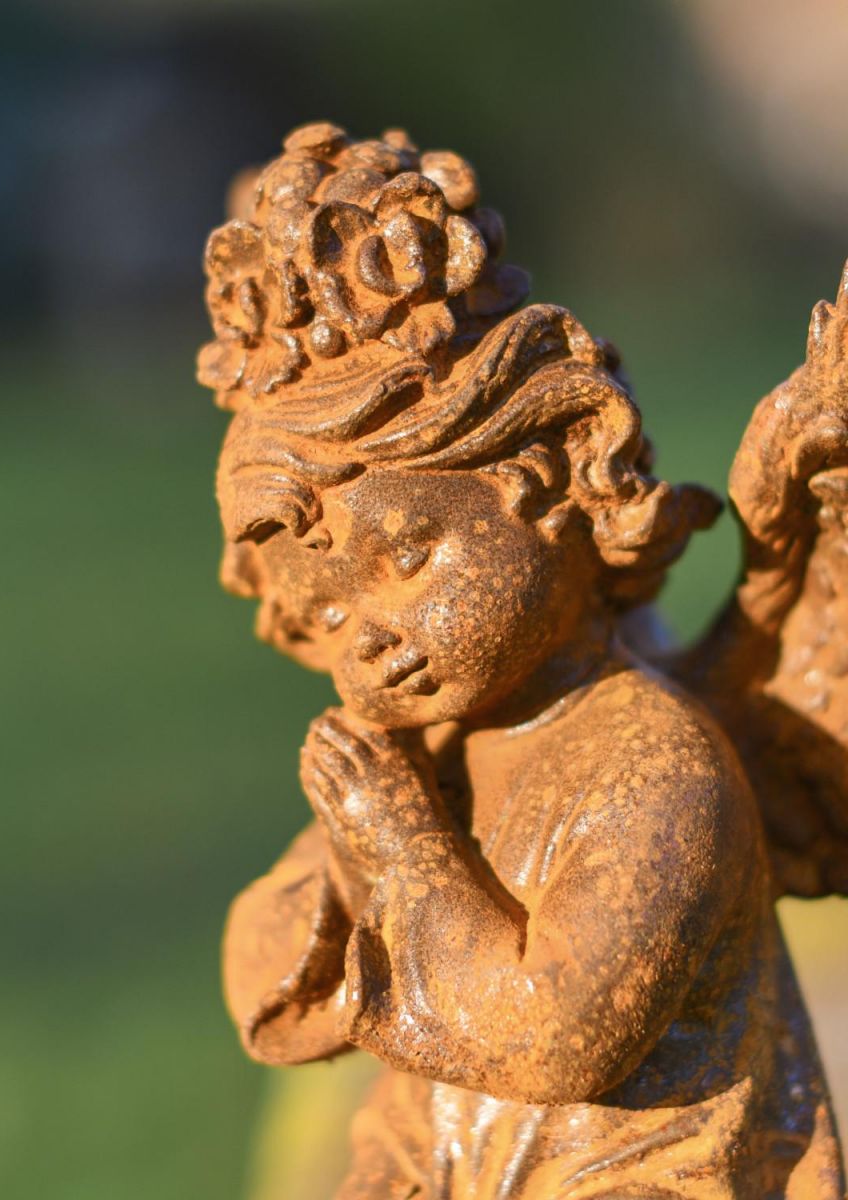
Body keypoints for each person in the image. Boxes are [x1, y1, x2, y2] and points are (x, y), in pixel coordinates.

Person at [206, 123, 848, 1198]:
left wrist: (404, 848)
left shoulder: (660, 772)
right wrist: (351, 846)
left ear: (559, 481)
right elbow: (262, 984)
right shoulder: (434, 747)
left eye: (408, 556)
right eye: (321, 609)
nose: (365, 632)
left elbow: (551, 1038)